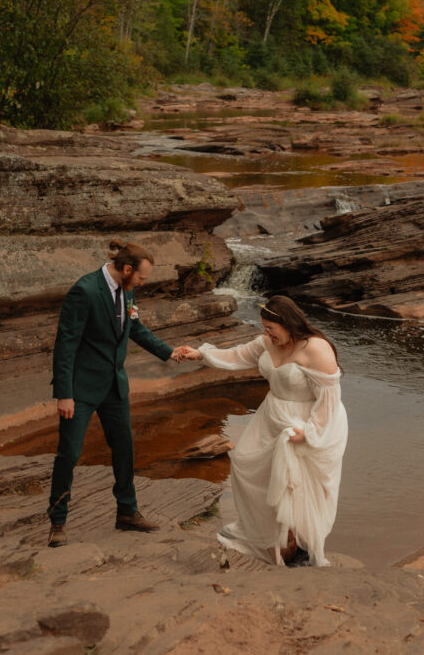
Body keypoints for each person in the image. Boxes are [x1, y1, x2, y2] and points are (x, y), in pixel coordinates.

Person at [172, 295, 347, 567]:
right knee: (244, 462)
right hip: (271, 415)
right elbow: (237, 355)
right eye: (264, 328)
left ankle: (296, 545)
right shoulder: (266, 343)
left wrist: (310, 433)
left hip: (306, 422)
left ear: (288, 324)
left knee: (293, 485)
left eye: (270, 329)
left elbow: (329, 398)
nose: (266, 334)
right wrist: (201, 353)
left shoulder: (316, 348)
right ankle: (263, 531)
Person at [47, 240, 175, 548]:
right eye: (142, 277)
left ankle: (127, 512)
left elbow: (135, 328)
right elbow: (66, 344)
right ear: (127, 269)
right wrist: (64, 393)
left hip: (114, 386)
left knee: (124, 447)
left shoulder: (127, 289)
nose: (143, 283)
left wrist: (170, 353)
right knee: (70, 454)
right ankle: (57, 521)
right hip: (80, 389)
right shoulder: (85, 291)